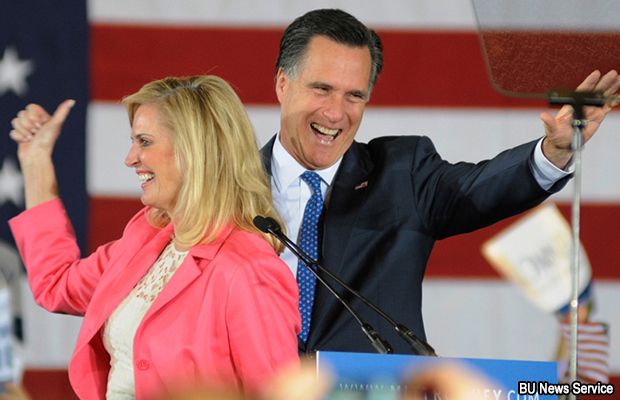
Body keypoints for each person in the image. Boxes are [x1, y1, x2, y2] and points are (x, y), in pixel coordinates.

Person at [262, 8, 620, 355]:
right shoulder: (233, 185)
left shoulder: (402, 175)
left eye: (354, 95)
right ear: (282, 84)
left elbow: (480, 188)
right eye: (322, 89)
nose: (335, 112)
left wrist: (553, 152)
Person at [8, 76, 300, 399]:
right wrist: (35, 162)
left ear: (193, 152)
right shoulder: (147, 237)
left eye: (144, 142)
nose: (130, 158)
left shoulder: (248, 269)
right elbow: (57, 283)